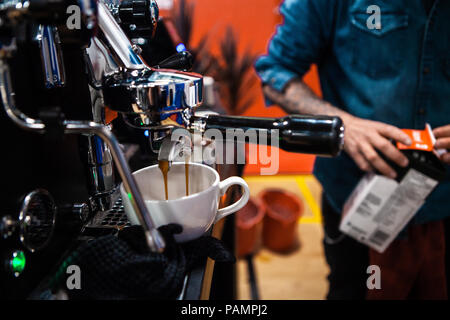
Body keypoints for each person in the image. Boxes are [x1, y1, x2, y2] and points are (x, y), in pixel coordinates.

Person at [255, 0, 450, 299]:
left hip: (444, 201)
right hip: (355, 196)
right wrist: (343, 125)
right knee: (354, 290)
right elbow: (275, 72)